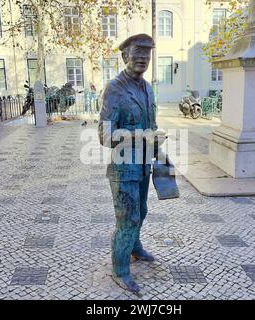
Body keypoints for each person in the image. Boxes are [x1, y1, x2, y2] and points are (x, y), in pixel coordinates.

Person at [98, 34, 165, 294]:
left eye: (147, 55)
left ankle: (135, 248)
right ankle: (120, 270)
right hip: (123, 165)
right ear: (125, 56)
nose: (143, 59)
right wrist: (139, 136)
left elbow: (151, 123)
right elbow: (104, 135)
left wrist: (157, 140)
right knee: (128, 217)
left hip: (144, 162)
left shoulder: (147, 88)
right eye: (138, 54)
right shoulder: (113, 88)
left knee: (143, 210)